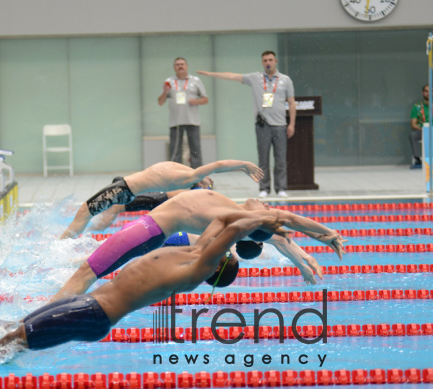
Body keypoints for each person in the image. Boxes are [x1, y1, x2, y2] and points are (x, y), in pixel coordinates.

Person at [0, 209, 290, 371]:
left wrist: (284, 222)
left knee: (14, 341)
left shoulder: (197, 266)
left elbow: (233, 229)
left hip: (93, 315)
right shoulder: (196, 255)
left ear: (218, 265)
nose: (221, 245)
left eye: (226, 253)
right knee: (11, 333)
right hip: (86, 304)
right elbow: (223, 220)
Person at [53, 190, 345, 301]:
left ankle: (31, 322)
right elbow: (286, 231)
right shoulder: (234, 213)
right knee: (91, 275)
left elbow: (285, 229)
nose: (265, 205)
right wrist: (323, 238)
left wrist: (321, 240)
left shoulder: (238, 218)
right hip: (152, 232)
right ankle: (39, 318)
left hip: (149, 230)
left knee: (86, 274)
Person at [60, 159, 262, 239]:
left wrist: (243, 164)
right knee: (85, 214)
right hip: (125, 188)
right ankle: (71, 239)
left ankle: (62, 244)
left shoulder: (190, 178)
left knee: (83, 213)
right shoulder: (188, 173)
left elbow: (217, 165)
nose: (209, 182)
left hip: (123, 190)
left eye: (208, 184)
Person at [197, 50, 296, 199]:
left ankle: (281, 187)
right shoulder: (255, 78)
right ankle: (264, 188)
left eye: (270, 60)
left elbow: (292, 102)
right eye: (265, 60)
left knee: (280, 158)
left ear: (275, 61)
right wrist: (211, 74)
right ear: (262, 62)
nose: (268, 63)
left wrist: (292, 124)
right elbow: (232, 76)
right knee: (263, 158)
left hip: (280, 124)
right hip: (262, 125)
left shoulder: (285, 80)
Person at [158, 57, 208, 168]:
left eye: (182, 64)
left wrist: (196, 101)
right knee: (175, 152)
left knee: (195, 150)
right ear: (174, 67)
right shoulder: (169, 82)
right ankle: (177, 178)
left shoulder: (195, 80)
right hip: (176, 122)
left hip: (192, 121)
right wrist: (165, 92)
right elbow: (160, 102)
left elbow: (205, 99)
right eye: (177, 64)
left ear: (187, 66)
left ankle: (197, 178)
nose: (180, 66)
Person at [409, 85, 429, 169]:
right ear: (423, 93)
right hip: (422, 131)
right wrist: (424, 129)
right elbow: (413, 125)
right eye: (426, 91)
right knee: (413, 135)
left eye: (431, 91)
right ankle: (418, 159)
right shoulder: (417, 106)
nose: (428, 93)